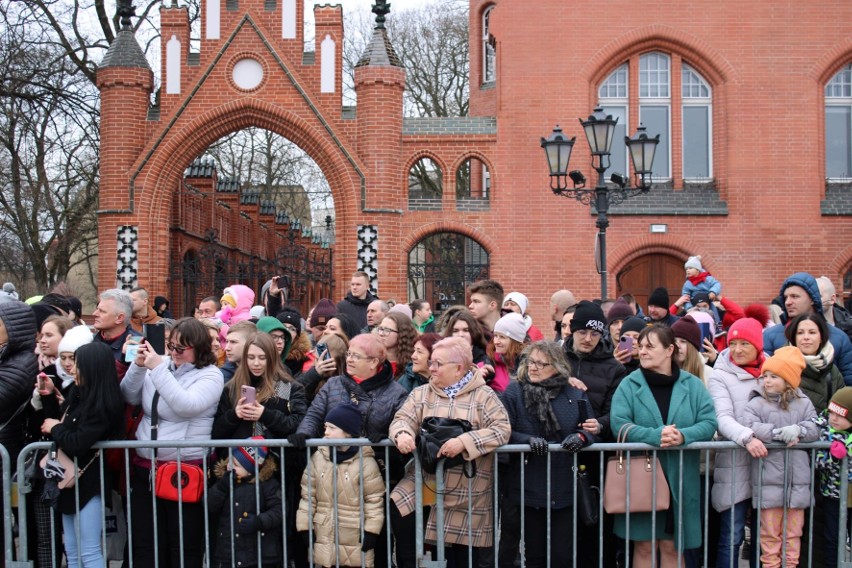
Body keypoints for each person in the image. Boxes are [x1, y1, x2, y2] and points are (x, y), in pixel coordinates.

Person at [390, 337, 511, 568]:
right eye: (432, 362)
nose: (431, 368)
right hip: (427, 484)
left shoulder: (484, 396)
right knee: (399, 508)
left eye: (437, 363)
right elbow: (402, 419)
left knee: (463, 557)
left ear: (458, 368)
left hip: (469, 490)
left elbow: (502, 429)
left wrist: (465, 441)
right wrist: (402, 434)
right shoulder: (422, 393)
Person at [610, 324, 718, 567]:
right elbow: (619, 423)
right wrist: (655, 435)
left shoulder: (692, 385)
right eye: (641, 346)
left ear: (670, 350)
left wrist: (683, 436)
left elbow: (709, 421)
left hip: (679, 478)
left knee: (672, 546)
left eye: (650, 346)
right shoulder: (629, 384)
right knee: (645, 546)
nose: (643, 351)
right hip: (642, 479)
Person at [120, 317, 224, 567]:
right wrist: (138, 366)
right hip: (146, 466)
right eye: (171, 346)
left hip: (184, 469)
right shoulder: (162, 364)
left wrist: (157, 369)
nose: (173, 353)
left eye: (180, 349)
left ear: (198, 348)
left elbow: (186, 405)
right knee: (146, 544)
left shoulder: (211, 375)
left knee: (183, 545)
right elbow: (129, 395)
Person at [500, 341, 595, 568]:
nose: (533, 368)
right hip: (528, 485)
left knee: (563, 556)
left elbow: (589, 428)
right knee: (535, 556)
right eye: (531, 361)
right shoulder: (515, 391)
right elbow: (504, 430)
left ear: (557, 366)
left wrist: (581, 438)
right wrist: (527, 441)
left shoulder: (574, 392)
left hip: (564, 486)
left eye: (542, 364)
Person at [38, 342, 125, 568]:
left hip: (88, 481)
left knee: (89, 550)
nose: (71, 367)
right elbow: (59, 427)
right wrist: (48, 397)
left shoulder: (103, 403)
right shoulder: (79, 394)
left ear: (92, 367)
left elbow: (76, 442)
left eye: (77, 362)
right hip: (68, 480)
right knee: (73, 551)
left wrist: (55, 427)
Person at [742, 346, 817, 568]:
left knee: (793, 536)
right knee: (770, 537)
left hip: (798, 484)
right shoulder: (756, 402)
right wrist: (775, 434)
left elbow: (816, 427)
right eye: (765, 376)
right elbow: (749, 425)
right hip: (768, 483)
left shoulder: (804, 403)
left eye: (774, 376)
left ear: (789, 379)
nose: (767, 380)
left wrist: (800, 430)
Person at [707, 316, 765, 568]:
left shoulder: (773, 369)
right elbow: (721, 417)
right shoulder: (720, 375)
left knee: (765, 538)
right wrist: (747, 437)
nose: (738, 350)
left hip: (768, 465)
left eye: (745, 344)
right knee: (732, 536)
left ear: (758, 346)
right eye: (733, 343)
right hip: (734, 464)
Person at [296, 403, 385, 567]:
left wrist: (371, 531)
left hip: (353, 535)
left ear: (348, 432)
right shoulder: (318, 457)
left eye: (331, 428)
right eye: (325, 427)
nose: (326, 432)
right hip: (324, 534)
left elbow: (374, 500)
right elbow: (308, 496)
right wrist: (305, 527)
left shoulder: (365, 462)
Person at [289, 332, 408, 446]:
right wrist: (304, 433)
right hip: (332, 460)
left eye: (356, 356)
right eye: (349, 354)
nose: (349, 359)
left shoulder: (397, 393)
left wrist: (386, 439)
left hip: (373, 462)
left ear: (373, 362)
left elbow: (400, 424)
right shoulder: (333, 384)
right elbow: (314, 415)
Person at [764, 272, 852, 384]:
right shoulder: (770, 336)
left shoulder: (839, 337)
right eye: (786, 297)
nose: (787, 302)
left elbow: (848, 382)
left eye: (795, 296)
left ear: (812, 299)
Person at [208, 437, 282, 568]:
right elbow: (209, 505)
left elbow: (279, 510)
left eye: (236, 465)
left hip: (257, 555)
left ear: (250, 470)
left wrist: (259, 521)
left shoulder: (267, 484)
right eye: (230, 461)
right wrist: (221, 488)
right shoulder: (223, 481)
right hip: (229, 554)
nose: (230, 466)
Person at [563, 300, 626, 440]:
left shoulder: (614, 369)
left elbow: (616, 412)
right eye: (582, 332)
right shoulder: (555, 359)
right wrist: (560, 378)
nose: (588, 339)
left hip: (593, 446)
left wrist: (600, 425)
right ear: (572, 330)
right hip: (556, 442)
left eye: (594, 334)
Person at [814, 387, 852, 568]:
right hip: (833, 495)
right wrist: (832, 456)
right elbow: (817, 463)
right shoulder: (825, 432)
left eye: (841, 415)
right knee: (832, 538)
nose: (834, 418)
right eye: (832, 413)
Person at [787, 313, 845, 413]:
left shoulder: (832, 371)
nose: (806, 337)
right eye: (800, 333)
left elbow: (842, 408)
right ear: (794, 337)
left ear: (821, 337)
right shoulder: (782, 367)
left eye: (812, 332)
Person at [91, 288, 142, 379]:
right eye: (97, 309)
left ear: (119, 318)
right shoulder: (89, 340)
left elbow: (131, 385)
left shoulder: (135, 344)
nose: (94, 313)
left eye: (102, 311)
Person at [483, 312, 527, 392]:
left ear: (515, 341)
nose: (496, 341)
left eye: (502, 337)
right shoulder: (486, 365)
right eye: (495, 336)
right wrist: (478, 378)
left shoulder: (528, 367)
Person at [377, 311, 418, 379]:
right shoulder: (373, 359)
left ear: (401, 333)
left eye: (387, 330)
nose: (381, 334)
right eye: (380, 329)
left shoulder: (412, 363)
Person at [817, 276, 852, 342]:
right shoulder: (802, 322)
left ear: (832, 299)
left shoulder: (848, 326)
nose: (814, 300)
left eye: (819, 296)